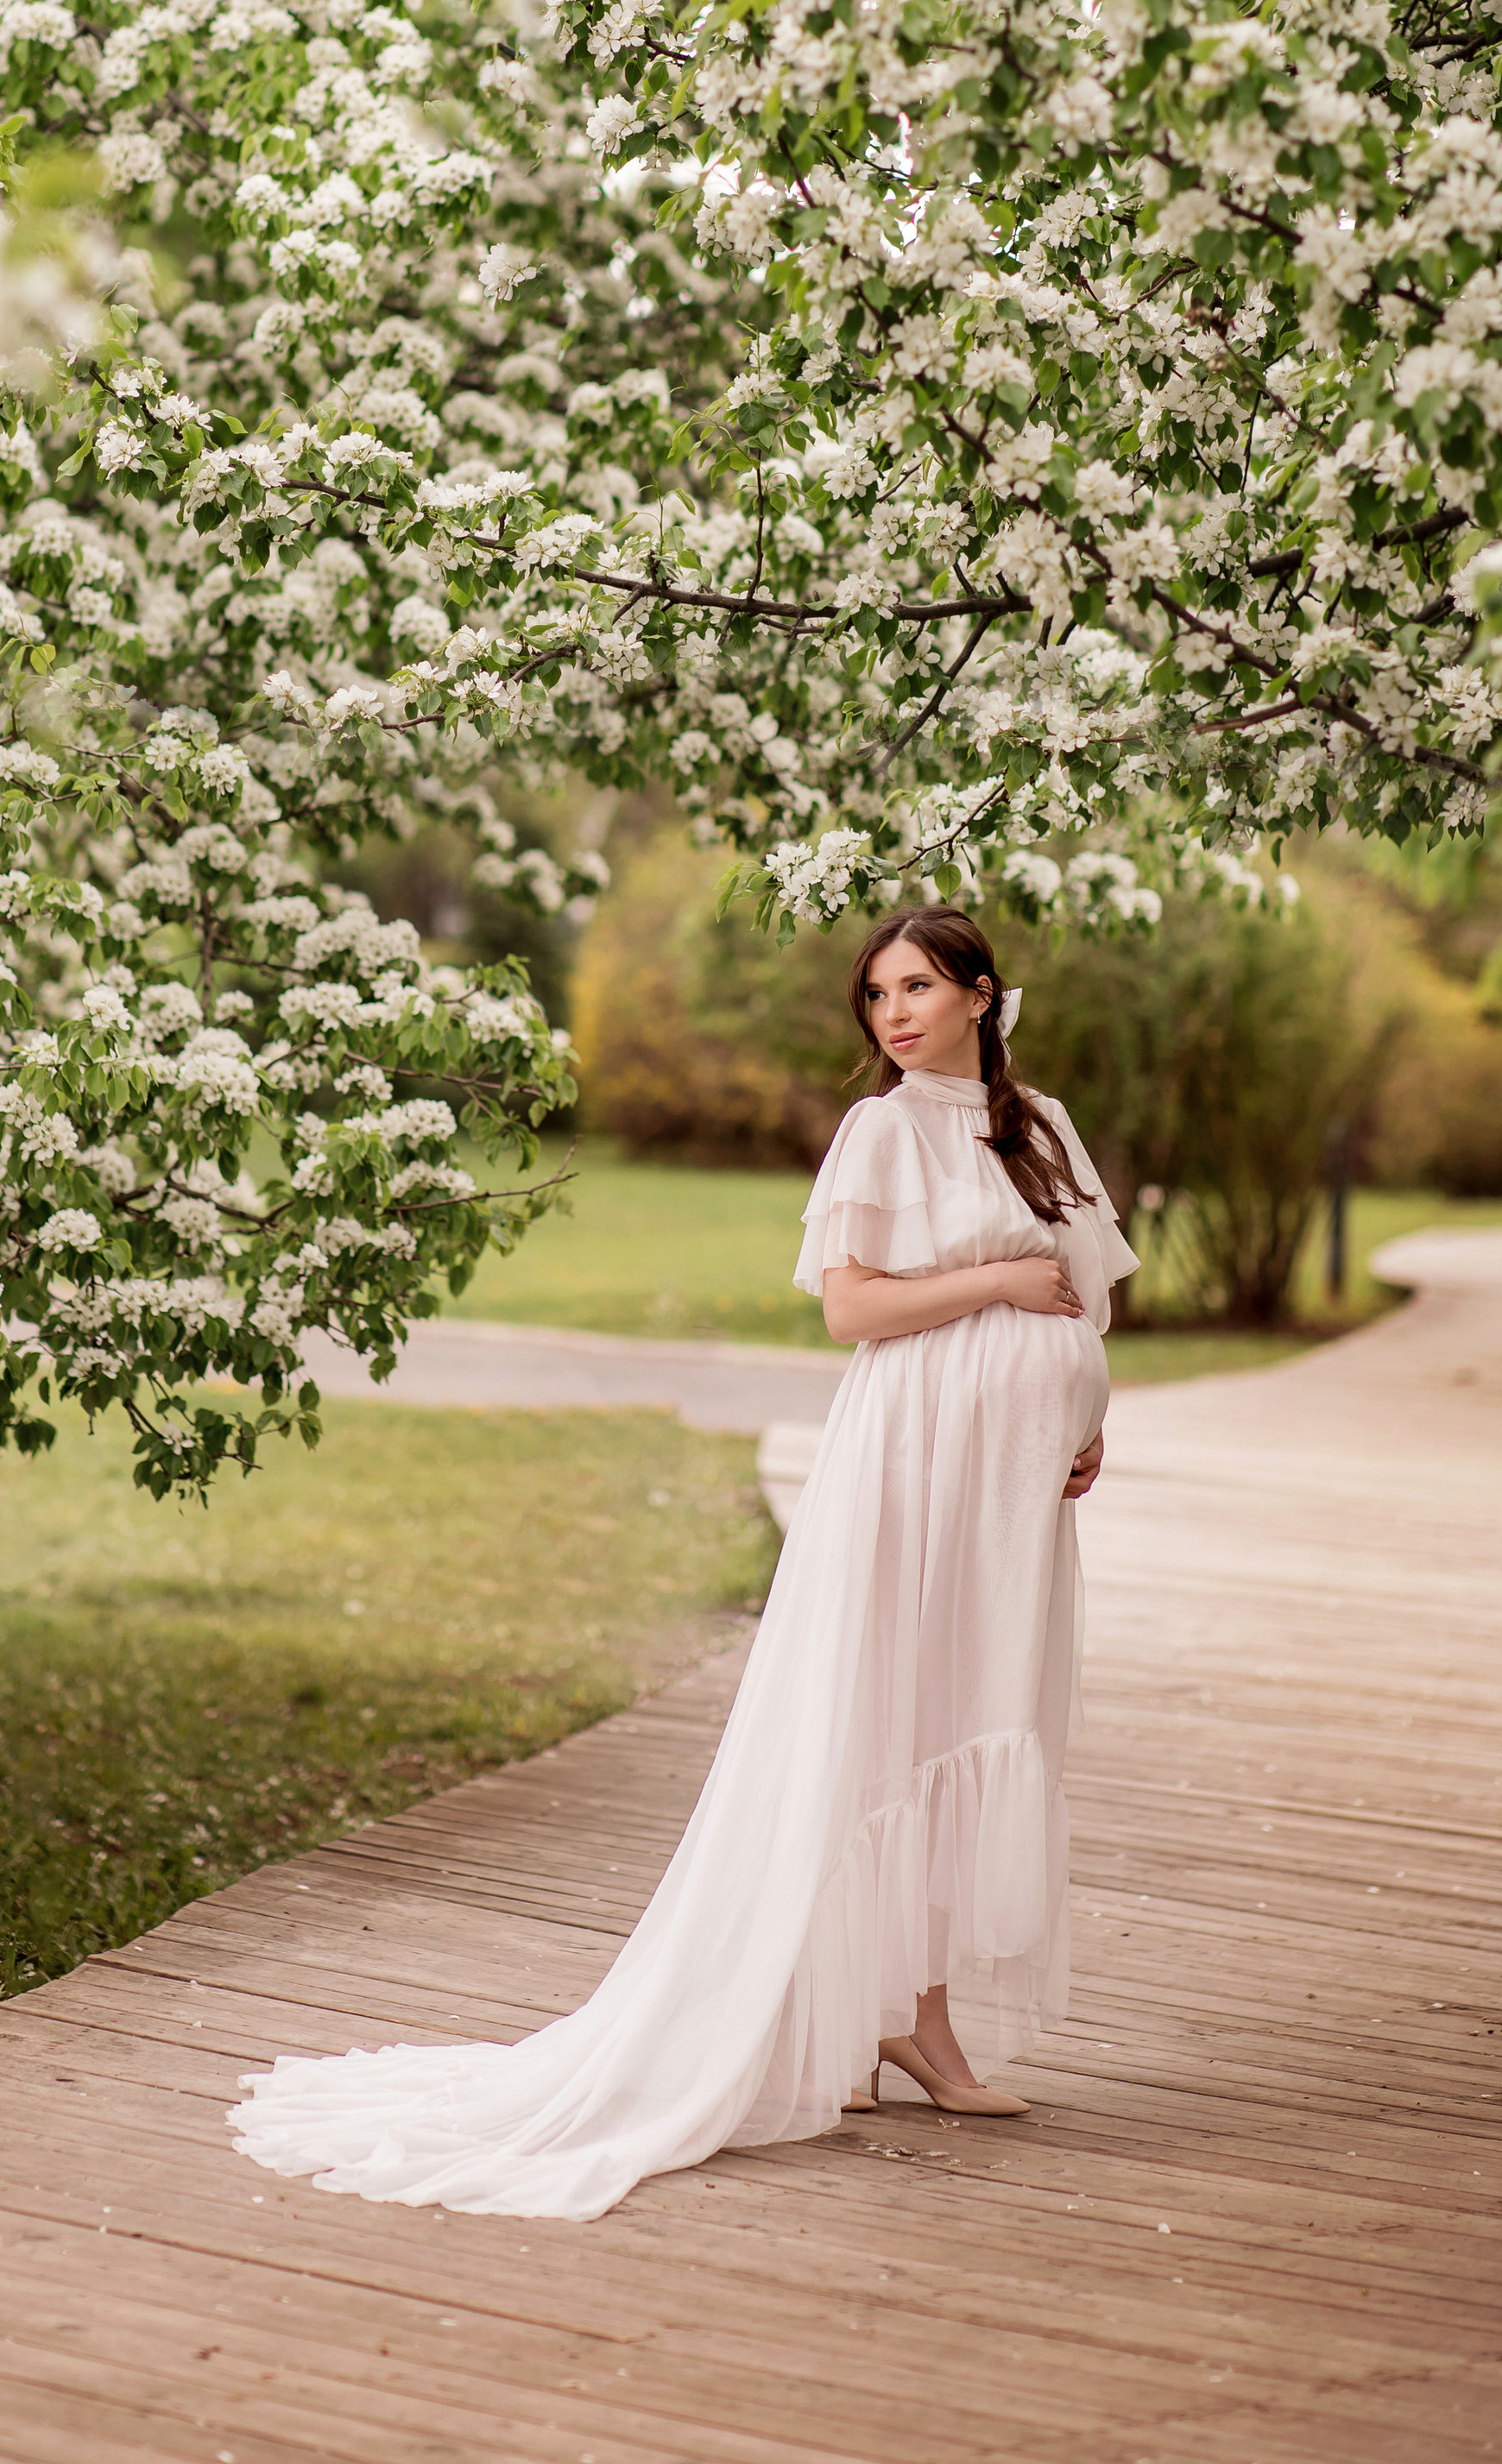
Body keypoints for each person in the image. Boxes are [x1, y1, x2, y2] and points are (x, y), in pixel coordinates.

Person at [227, 904, 1135, 2220]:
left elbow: (1087, 1288)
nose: (894, 1014)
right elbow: (853, 1308)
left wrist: (1086, 1420)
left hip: (1008, 1483)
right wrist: (994, 1288)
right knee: (894, 1712)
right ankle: (902, 2019)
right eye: (877, 993)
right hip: (910, 1459)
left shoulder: (1038, 1124)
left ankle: (909, 2012)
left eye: (919, 988)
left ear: (982, 995)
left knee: (972, 1709)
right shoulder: (879, 1131)